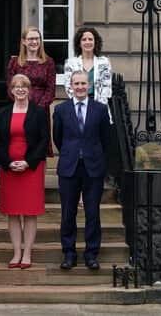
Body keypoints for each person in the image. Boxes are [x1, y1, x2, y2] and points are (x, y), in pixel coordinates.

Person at [53, 70, 110, 271]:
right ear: (70, 86)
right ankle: (69, 253)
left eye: (83, 83)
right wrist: (72, 153)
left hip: (93, 168)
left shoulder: (101, 109)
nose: (79, 87)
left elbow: (106, 139)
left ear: (89, 85)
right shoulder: (61, 110)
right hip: (69, 168)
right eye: (76, 83)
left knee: (92, 213)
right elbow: (57, 138)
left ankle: (91, 254)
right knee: (68, 213)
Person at [0, 74, 48, 269]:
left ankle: (27, 253)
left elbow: (43, 141)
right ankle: (16, 252)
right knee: (13, 212)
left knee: (30, 212)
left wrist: (28, 162)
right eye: (16, 86)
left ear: (29, 90)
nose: (20, 89)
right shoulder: (3, 113)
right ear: (11, 90)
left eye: (23, 86)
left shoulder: (39, 112)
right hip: (9, 169)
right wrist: (8, 162)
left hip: (31, 168)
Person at [6, 27, 56, 155]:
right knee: (20, 142)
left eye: (37, 38)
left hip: (41, 110)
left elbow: (50, 89)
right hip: (19, 108)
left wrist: (37, 109)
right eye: (30, 39)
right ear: (24, 41)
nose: (34, 42)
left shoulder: (49, 62)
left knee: (40, 147)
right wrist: (23, 105)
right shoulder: (14, 62)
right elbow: (10, 87)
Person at [63, 27, 112, 119]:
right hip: (78, 107)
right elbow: (69, 88)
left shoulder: (104, 62)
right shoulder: (70, 63)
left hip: (99, 106)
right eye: (84, 39)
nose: (87, 42)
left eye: (90, 39)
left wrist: (96, 107)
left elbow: (106, 88)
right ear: (79, 43)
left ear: (95, 42)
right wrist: (82, 103)